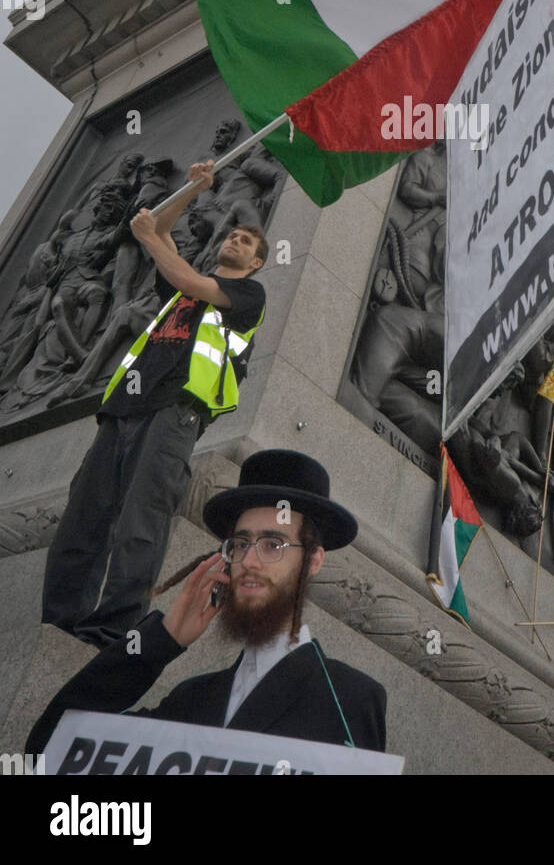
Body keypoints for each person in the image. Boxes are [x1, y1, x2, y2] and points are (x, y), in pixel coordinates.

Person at [27, 451, 387, 757]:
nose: (249, 561)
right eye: (241, 544)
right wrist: (162, 640)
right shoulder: (191, 700)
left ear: (313, 561)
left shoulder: (351, 697)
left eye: (273, 545)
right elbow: (51, 748)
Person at [41, 160, 266, 648]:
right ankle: (59, 619)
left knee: (141, 519)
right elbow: (160, 229)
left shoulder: (247, 295)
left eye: (246, 243)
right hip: (124, 408)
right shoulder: (179, 286)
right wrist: (192, 188)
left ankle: (113, 625)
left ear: (256, 263)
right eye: (233, 237)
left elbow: (178, 267)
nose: (234, 242)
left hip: (175, 412)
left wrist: (149, 238)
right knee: (85, 515)